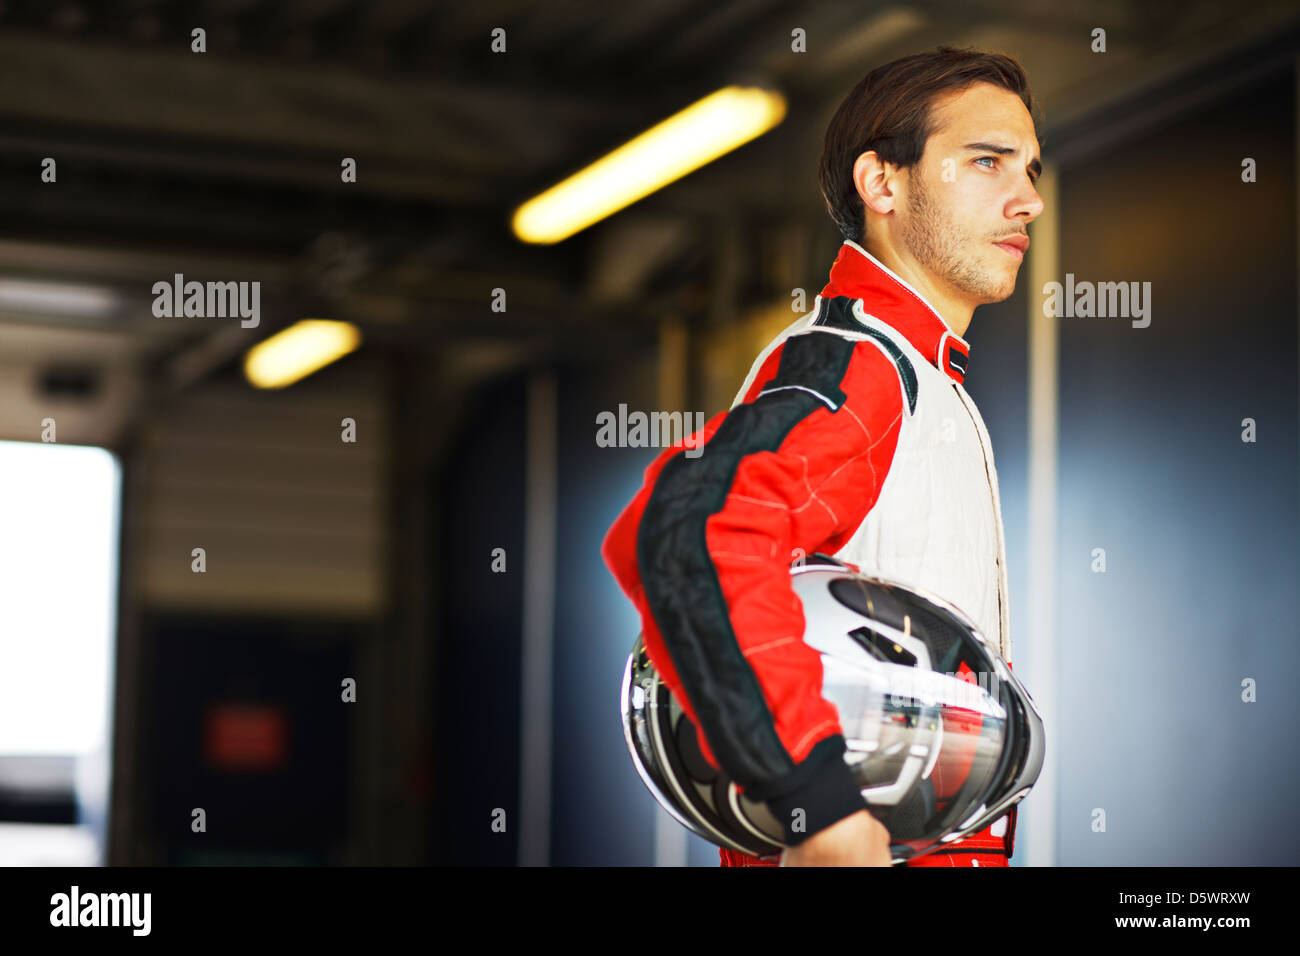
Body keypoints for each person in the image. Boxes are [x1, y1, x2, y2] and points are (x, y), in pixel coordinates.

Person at [601, 46, 1043, 867]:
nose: (1028, 200)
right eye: (987, 162)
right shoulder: (862, 365)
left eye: (1030, 169)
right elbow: (692, 530)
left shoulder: (925, 378)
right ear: (882, 184)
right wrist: (819, 807)